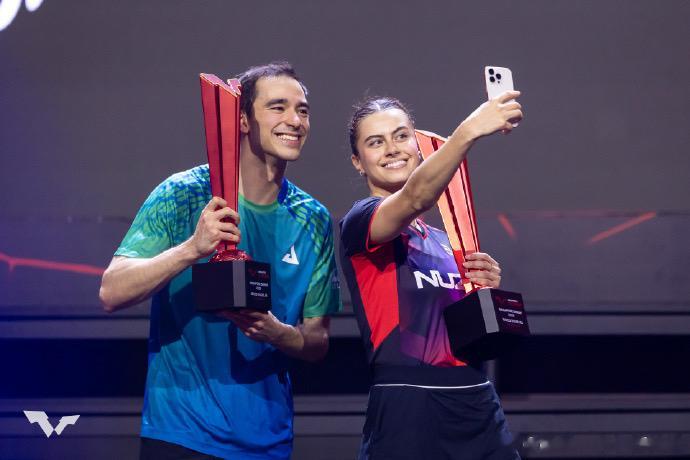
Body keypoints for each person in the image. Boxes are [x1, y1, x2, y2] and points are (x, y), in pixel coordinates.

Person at [99, 62, 342, 459]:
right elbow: (112, 291)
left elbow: (317, 341)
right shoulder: (183, 194)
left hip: (268, 441)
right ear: (242, 121)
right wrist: (192, 248)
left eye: (303, 110)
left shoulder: (313, 218)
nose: (295, 121)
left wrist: (277, 333)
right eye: (278, 107)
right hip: (181, 434)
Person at [339, 92, 523, 459]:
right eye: (376, 142)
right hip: (410, 407)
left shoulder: (447, 241)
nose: (392, 149)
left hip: (476, 402)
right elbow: (416, 198)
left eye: (401, 136)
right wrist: (468, 131)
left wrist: (484, 292)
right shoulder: (361, 221)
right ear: (358, 162)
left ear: (418, 145)